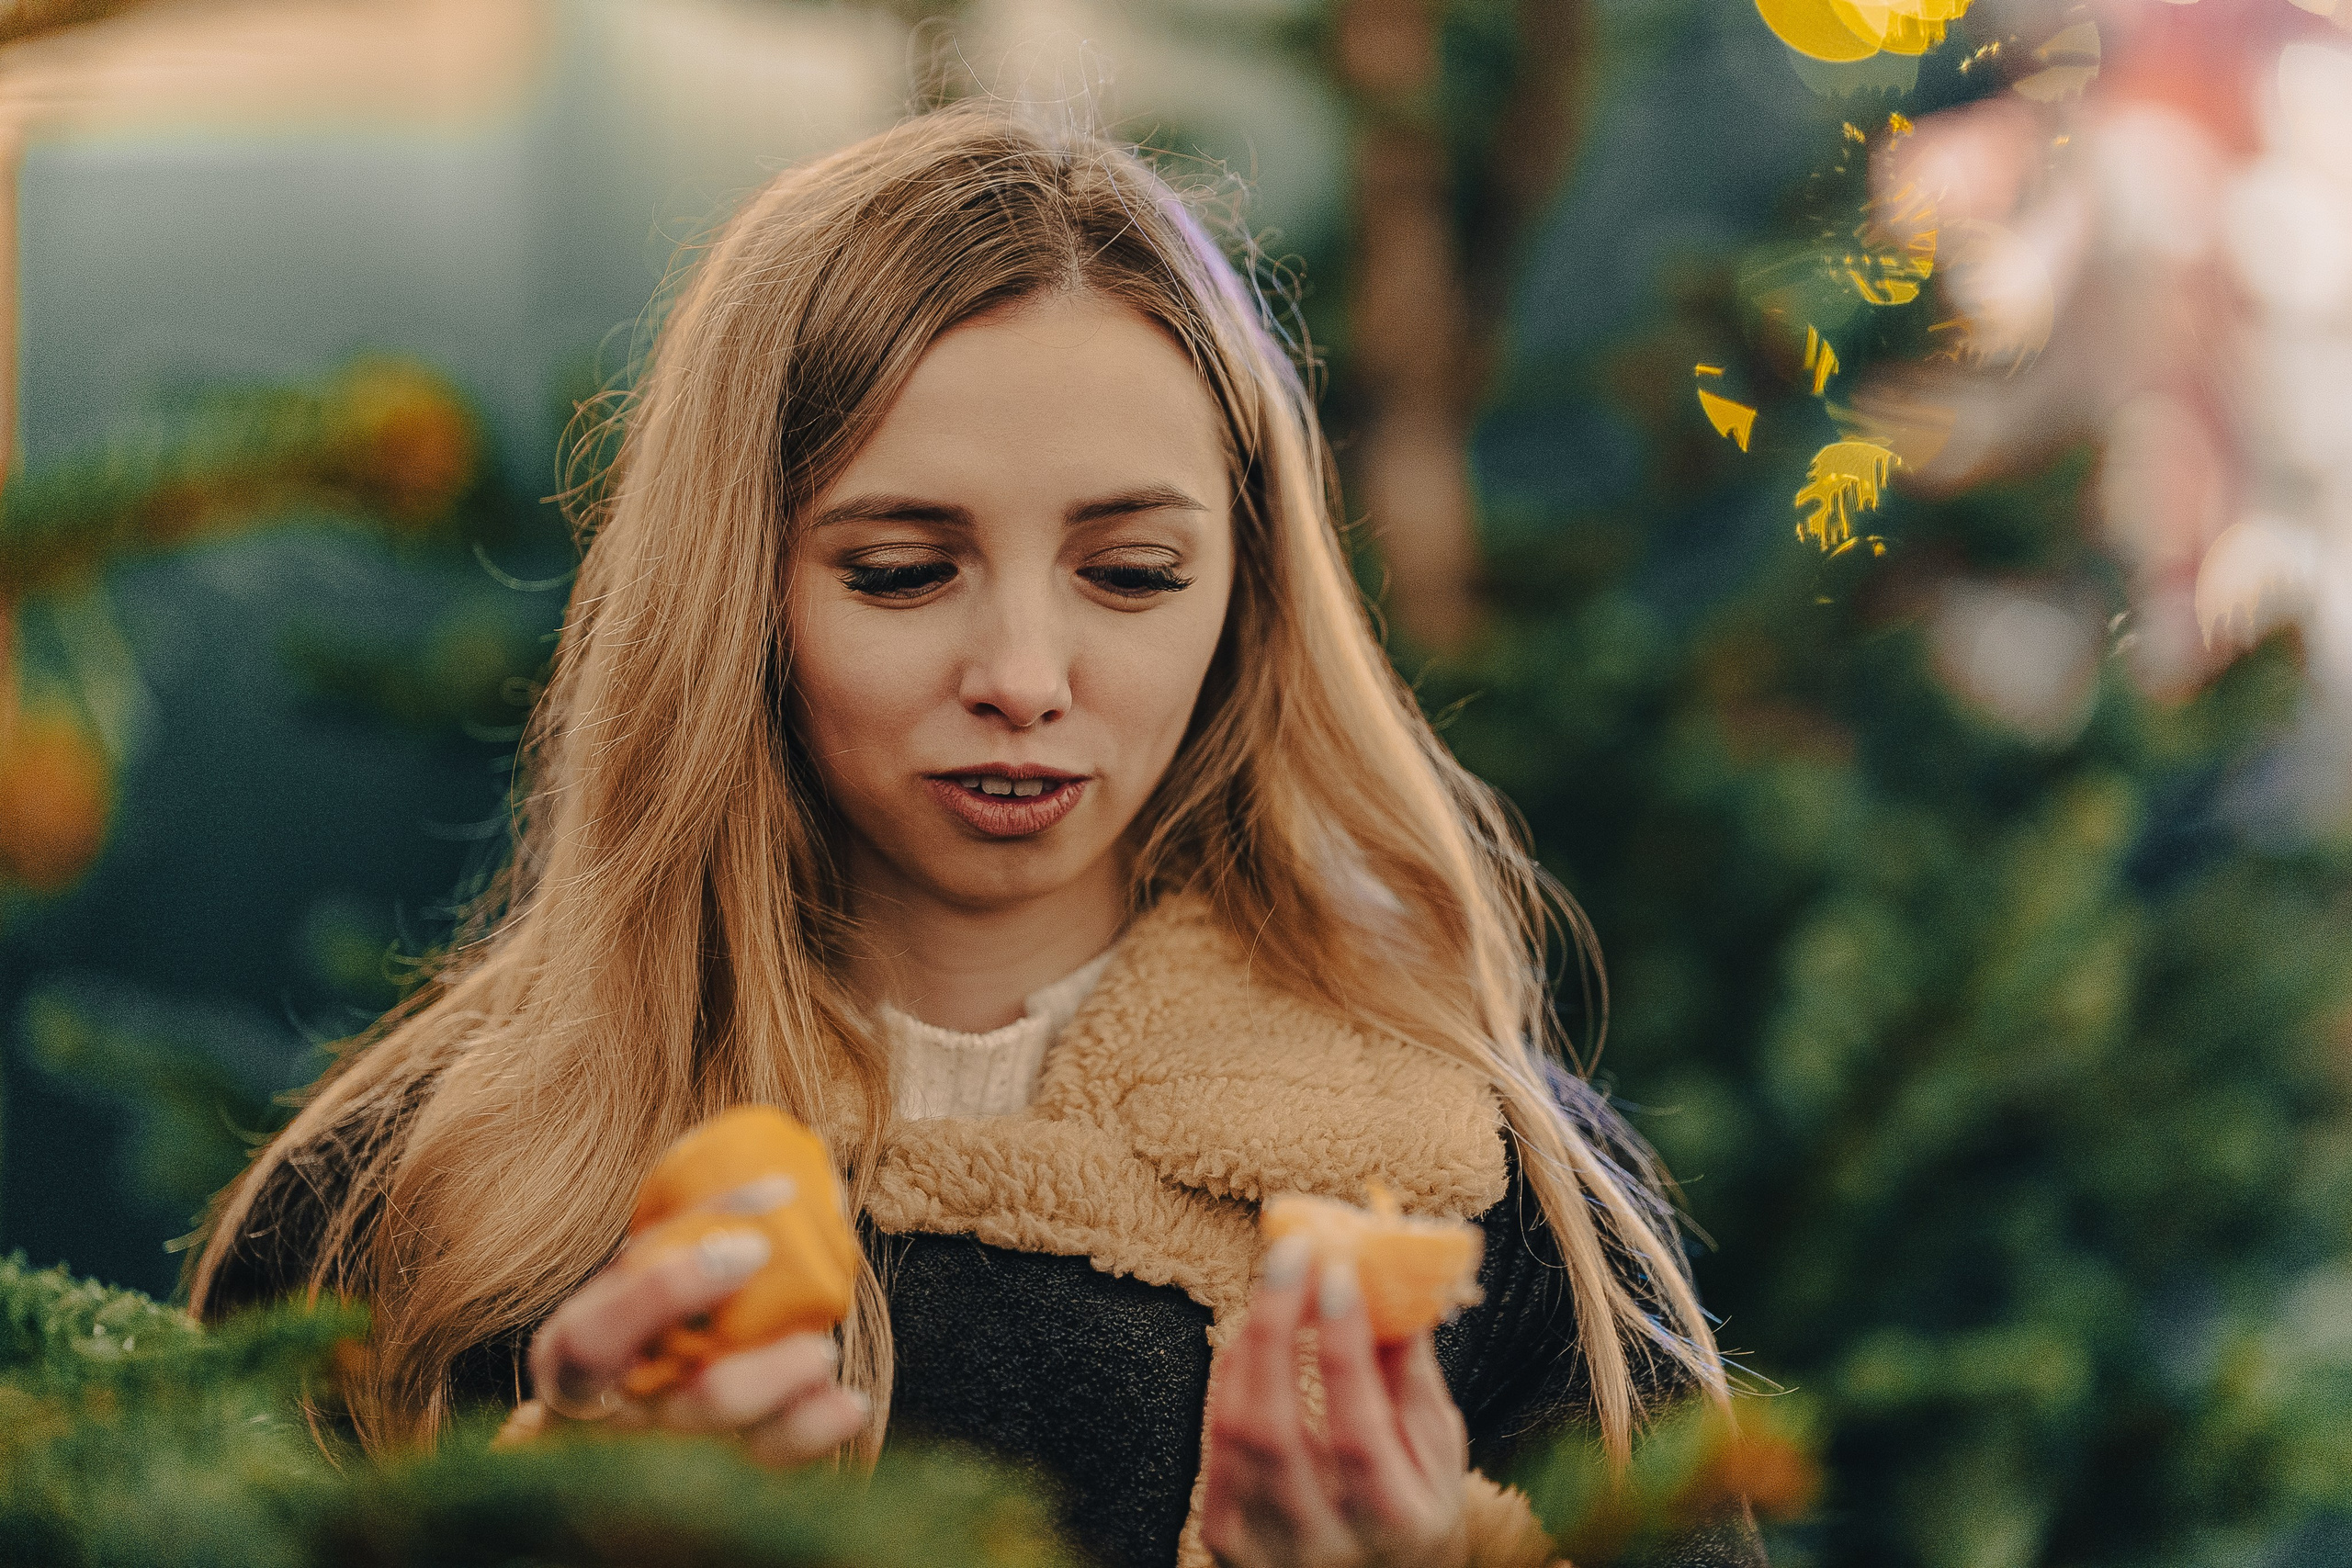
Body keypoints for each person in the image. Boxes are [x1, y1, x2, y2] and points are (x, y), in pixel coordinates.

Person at [186, 103, 1764, 1568]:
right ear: (737, 595)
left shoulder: (1499, 1197)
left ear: (1253, 598)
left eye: (1132, 574)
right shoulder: (404, 1206)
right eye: (899, 572)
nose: (1021, 678)